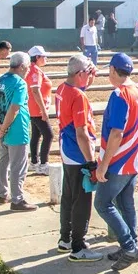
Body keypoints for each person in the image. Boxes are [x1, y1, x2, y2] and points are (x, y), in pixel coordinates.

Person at [94, 53, 138, 271]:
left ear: (112, 70)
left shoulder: (119, 94)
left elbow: (116, 133)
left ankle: (129, 247)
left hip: (118, 161)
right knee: (125, 204)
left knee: (103, 204)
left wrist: (104, 164)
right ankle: (130, 244)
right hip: (134, 158)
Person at [55, 55, 103, 262]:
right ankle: (78, 246)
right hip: (78, 153)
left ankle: (65, 238)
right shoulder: (78, 96)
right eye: (88, 73)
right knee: (82, 201)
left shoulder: (62, 88)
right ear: (80, 74)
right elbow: (82, 132)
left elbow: (81, 90)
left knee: (68, 197)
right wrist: (91, 161)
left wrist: (89, 77)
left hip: (67, 150)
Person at [0, 52, 37, 211]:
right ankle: (17, 200)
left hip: (4, 128)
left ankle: (3, 194)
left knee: (3, 162)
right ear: (22, 66)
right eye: (28, 66)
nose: (29, 70)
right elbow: (15, 108)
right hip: (17, 130)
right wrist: (2, 128)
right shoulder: (19, 83)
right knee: (18, 166)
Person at [26, 45, 54, 175]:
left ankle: (34, 162)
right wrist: (43, 110)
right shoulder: (35, 71)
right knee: (48, 135)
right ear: (37, 57)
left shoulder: (33, 69)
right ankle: (43, 164)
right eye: (43, 56)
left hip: (33, 108)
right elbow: (35, 90)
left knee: (36, 135)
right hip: (36, 109)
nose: (46, 58)